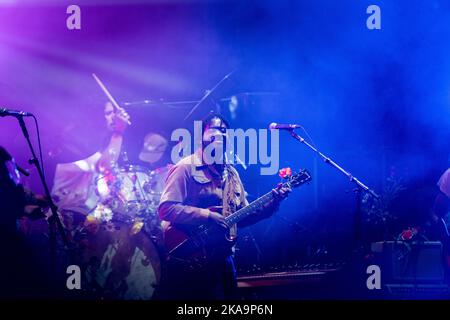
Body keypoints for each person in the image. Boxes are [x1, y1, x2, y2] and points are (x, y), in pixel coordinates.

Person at [157, 113, 291, 300]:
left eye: (224, 131)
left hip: (223, 258)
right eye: (213, 129)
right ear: (201, 137)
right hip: (191, 257)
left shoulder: (232, 173)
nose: (219, 134)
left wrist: (274, 202)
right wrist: (207, 215)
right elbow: (166, 209)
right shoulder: (185, 167)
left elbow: (244, 215)